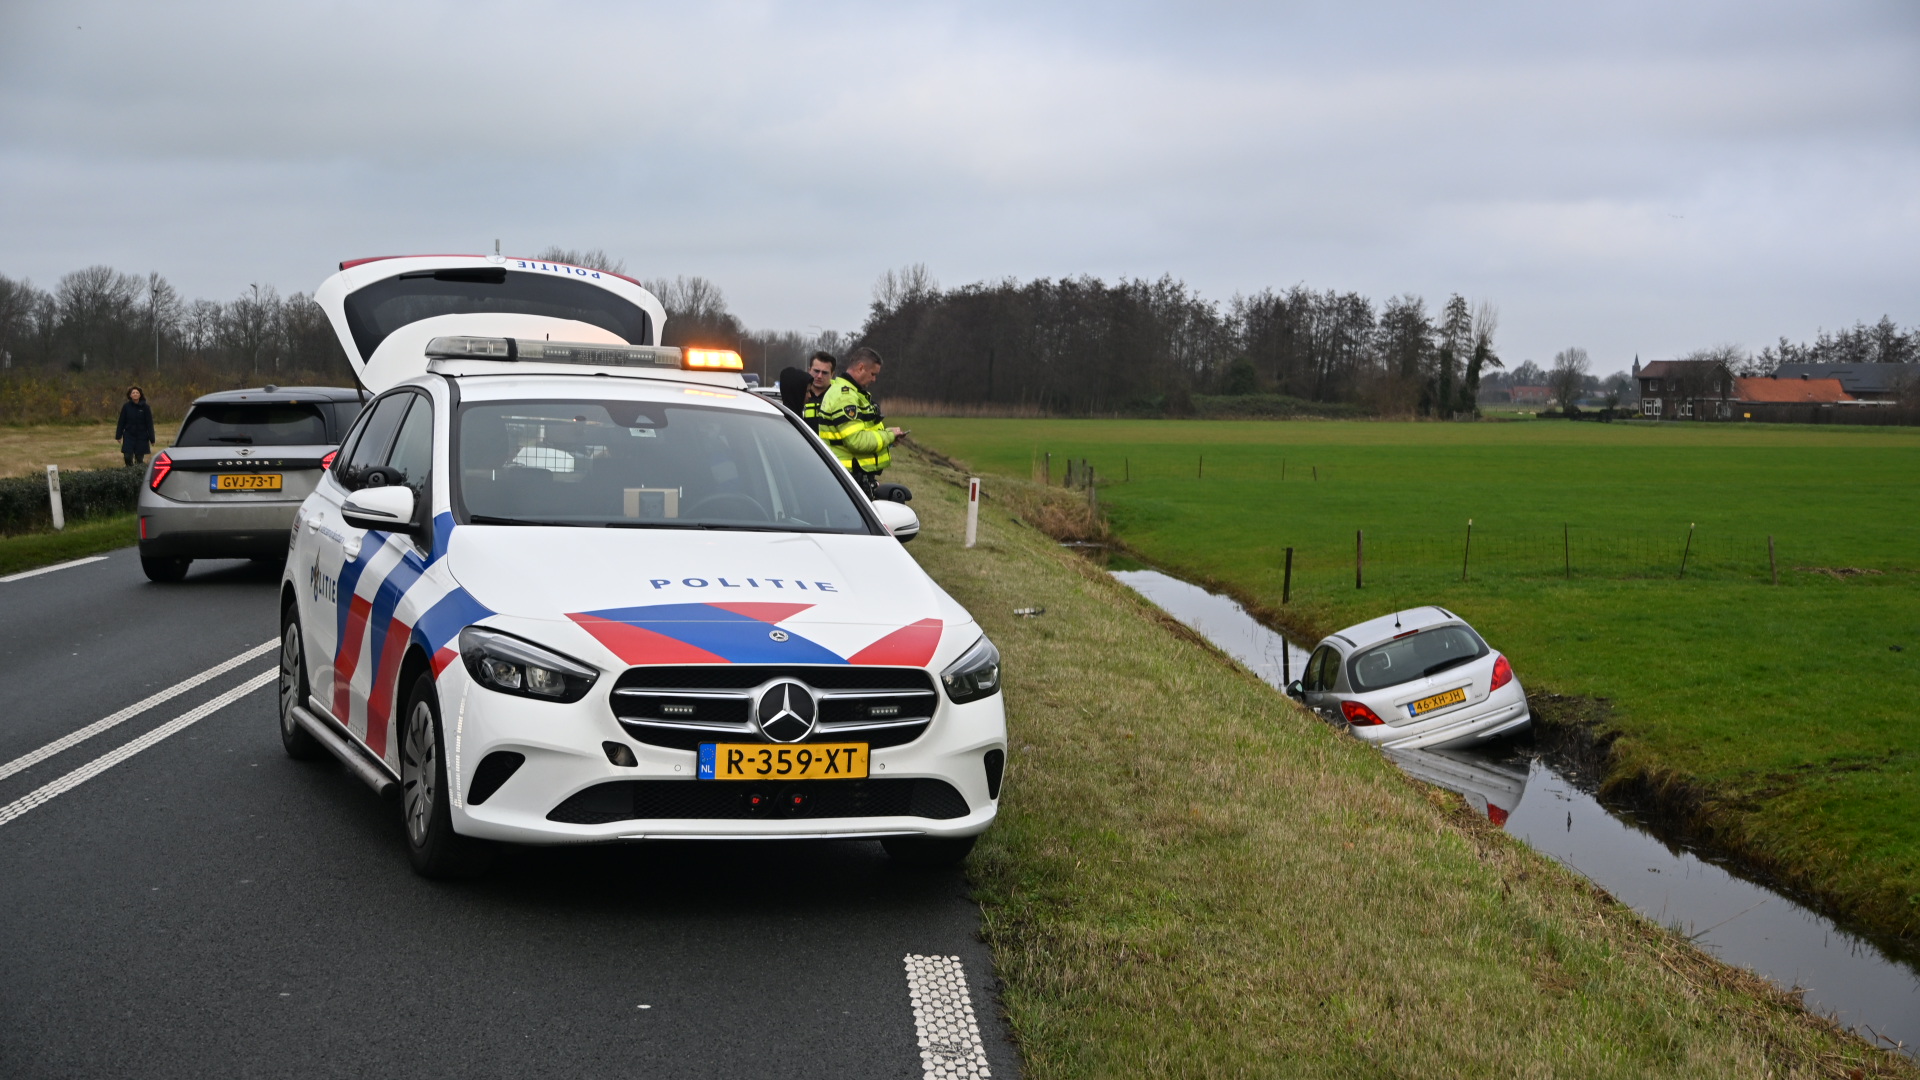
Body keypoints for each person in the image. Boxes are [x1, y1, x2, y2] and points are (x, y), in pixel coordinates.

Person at [817, 346, 903, 495]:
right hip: (846, 478)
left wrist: (889, 442)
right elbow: (857, 441)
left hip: (849, 477)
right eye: (873, 374)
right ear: (861, 368)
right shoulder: (845, 396)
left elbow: (863, 434)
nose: (874, 379)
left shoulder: (853, 393)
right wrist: (889, 435)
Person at [116, 386, 156, 467]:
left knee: (139, 459)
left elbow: (149, 424)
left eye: (137, 393)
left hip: (142, 436)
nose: (135, 394)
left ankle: (138, 474)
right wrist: (118, 435)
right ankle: (129, 471)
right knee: (127, 457)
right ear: (130, 395)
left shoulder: (145, 407)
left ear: (140, 395)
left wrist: (152, 439)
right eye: (133, 393)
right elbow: (121, 422)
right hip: (129, 435)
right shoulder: (126, 407)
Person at [801, 351, 836, 432]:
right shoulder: (800, 394)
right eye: (816, 371)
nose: (819, 376)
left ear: (832, 374)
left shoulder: (838, 397)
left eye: (824, 373)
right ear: (809, 370)